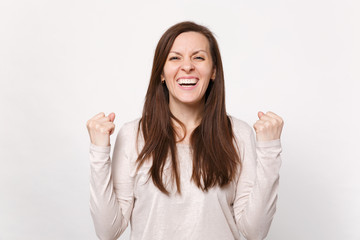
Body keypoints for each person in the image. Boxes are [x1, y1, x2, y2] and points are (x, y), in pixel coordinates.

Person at [86, 21, 284, 240]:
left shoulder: (239, 134)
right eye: (175, 58)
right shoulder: (133, 135)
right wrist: (99, 152)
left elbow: (254, 232)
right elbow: (107, 231)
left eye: (198, 57)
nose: (187, 66)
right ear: (161, 72)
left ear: (214, 71)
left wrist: (269, 149)